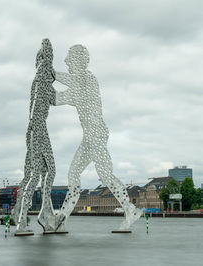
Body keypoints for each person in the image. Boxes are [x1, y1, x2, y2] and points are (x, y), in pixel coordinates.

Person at [54, 45, 141, 231]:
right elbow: (62, 91)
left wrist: (49, 74)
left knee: (105, 175)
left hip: (97, 134)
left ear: (78, 60)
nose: (66, 61)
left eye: (69, 58)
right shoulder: (81, 82)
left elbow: (57, 98)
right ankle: (62, 218)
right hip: (90, 136)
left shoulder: (87, 81)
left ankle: (129, 209)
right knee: (74, 174)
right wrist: (49, 75)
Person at [12, 39, 56, 233]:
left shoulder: (40, 79)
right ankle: (25, 221)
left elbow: (55, 99)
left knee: (38, 173)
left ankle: (26, 215)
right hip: (38, 128)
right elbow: (39, 103)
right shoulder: (43, 76)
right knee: (40, 173)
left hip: (35, 129)